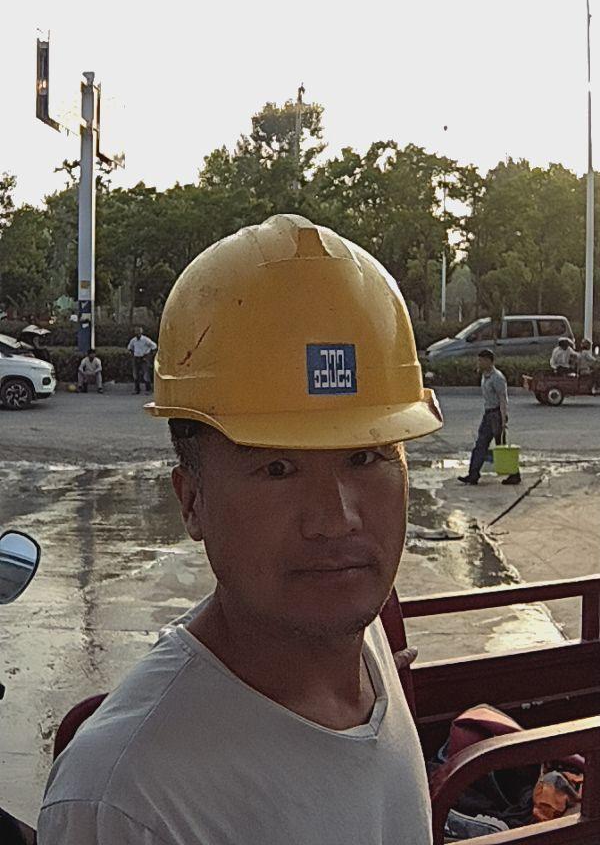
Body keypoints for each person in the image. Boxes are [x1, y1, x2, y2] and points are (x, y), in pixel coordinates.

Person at [38, 215, 443, 845]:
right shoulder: (131, 803)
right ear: (192, 500)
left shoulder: (363, 643)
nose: (335, 519)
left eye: (365, 457)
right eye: (277, 469)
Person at [458, 348, 521, 487]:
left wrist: (503, 419)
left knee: (501, 446)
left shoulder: (497, 378)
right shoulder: (485, 375)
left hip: (496, 415)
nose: (479, 363)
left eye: (481, 360)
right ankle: (473, 475)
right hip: (488, 414)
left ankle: (514, 474)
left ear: (488, 361)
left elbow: (503, 399)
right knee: (480, 445)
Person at [127, 326, 157, 394]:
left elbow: (154, 346)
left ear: (141, 333)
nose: (138, 335)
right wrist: (133, 354)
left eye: (139, 333)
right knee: (135, 374)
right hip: (136, 358)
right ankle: (137, 389)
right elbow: (130, 347)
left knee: (146, 374)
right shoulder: (133, 340)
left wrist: (148, 353)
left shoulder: (145, 340)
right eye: (136, 333)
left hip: (144, 358)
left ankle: (148, 390)